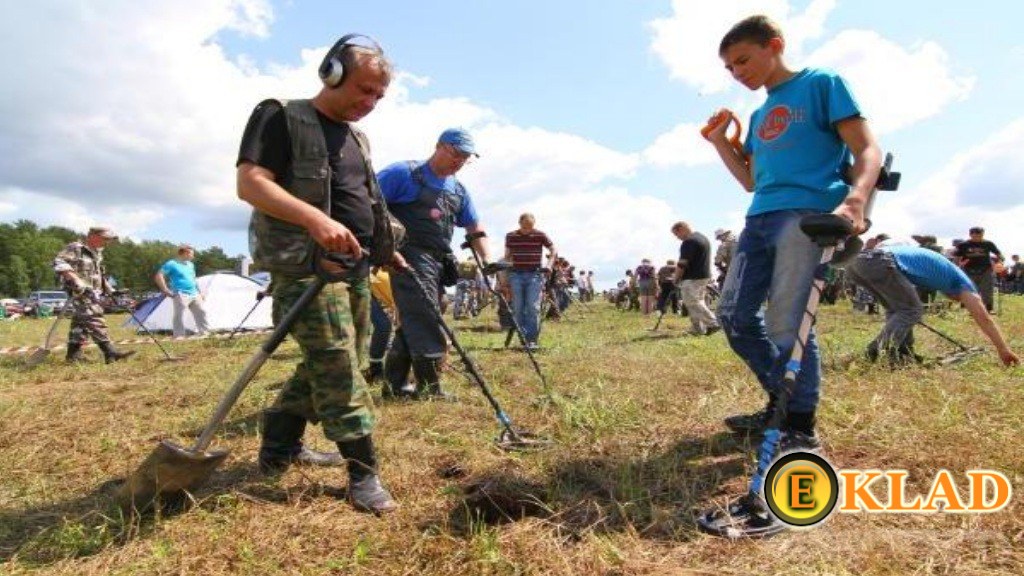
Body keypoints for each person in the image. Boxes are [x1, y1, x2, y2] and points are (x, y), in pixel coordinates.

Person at [236, 34, 404, 514]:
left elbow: (365, 201)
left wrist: (388, 248)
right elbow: (250, 183)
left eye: (378, 96)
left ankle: (279, 446)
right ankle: (364, 475)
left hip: (355, 268)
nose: (369, 103)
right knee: (338, 364)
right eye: (363, 90)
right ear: (331, 73)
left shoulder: (357, 138)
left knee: (334, 358)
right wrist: (315, 220)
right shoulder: (281, 116)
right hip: (306, 271)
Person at [706, 15, 883, 453]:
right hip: (759, 217)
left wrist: (857, 199)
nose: (737, 73)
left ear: (775, 45)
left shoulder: (822, 83)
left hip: (806, 215)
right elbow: (750, 180)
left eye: (743, 60)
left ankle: (798, 425)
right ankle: (783, 401)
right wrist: (718, 142)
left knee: (789, 321)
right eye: (729, 68)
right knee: (733, 315)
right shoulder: (760, 112)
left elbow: (867, 148)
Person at [378, 127, 493, 401]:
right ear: (440, 146)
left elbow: (474, 226)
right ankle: (429, 387)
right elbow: (366, 202)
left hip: (439, 260)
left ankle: (394, 386)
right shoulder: (403, 174)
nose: (460, 162)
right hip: (406, 256)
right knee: (427, 316)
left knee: (415, 318)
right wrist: (381, 247)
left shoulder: (458, 190)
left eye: (466, 158)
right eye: (457, 154)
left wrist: (487, 260)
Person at [846, 244, 1018, 367]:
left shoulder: (944, 274)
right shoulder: (964, 284)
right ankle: (874, 353)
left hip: (858, 262)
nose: (956, 300)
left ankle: (902, 352)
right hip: (879, 261)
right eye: (960, 300)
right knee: (911, 310)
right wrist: (1003, 350)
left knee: (898, 310)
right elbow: (984, 319)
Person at [53, 226, 136, 364]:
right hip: (78, 290)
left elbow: (99, 275)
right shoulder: (76, 248)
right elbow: (59, 262)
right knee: (93, 315)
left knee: (80, 323)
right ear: (93, 236)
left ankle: (73, 356)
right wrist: (77, 281)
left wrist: (111, 291)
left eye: (109, 240)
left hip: (93, 290)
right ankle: (110, 352)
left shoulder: (96, 253)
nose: (107, 242)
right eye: (105, 239)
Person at [504, 212, 556, 349]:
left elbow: (553, 249)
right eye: (525, 226)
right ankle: (523, 338)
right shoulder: (511, 236)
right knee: (518, 307)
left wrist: (549, 264)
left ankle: (531, 340)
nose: (528, 229)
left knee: (533, 307)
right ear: (519, 223)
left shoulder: (540, 235)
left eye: (530, 226)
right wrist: (503, 278)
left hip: (535, 275)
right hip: (516, 275)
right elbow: (507, 256)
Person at [671, 221, 720, 335]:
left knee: (692, 301)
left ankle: (713, 323)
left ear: (682, 228)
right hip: (703, 275)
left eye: (676, 234)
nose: (677, 238)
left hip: (692, 277)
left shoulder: (689, 241)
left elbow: (682, 263)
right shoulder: (702, 238)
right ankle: (697, 328)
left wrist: (676, 277)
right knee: (696, 302)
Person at [153, 244, 210, 338]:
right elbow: (159, 275)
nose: (193, 256)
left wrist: (200, 293)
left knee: (201, 312)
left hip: (194, 293)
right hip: (181, 293)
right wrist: (165, 289)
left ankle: (204, 333)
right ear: (185, 253)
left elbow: (193, 279)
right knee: (180, 315)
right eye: (192, 254)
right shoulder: (172, 263)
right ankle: (179, 335)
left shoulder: (191, 265)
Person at [954, 226, 1003, 312]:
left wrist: (1000, 262)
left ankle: (988, 308)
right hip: (968, 270)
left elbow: (999, 254)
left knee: (987, 289)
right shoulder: (963, 245)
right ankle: (966, 306)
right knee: (968, 288)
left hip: (986, 270)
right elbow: (957, 257)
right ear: (970, 235)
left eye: (979, 235)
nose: (977, 238)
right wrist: (957, 266)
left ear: (983, 234)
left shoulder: (988, 244)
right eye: (974, 236)